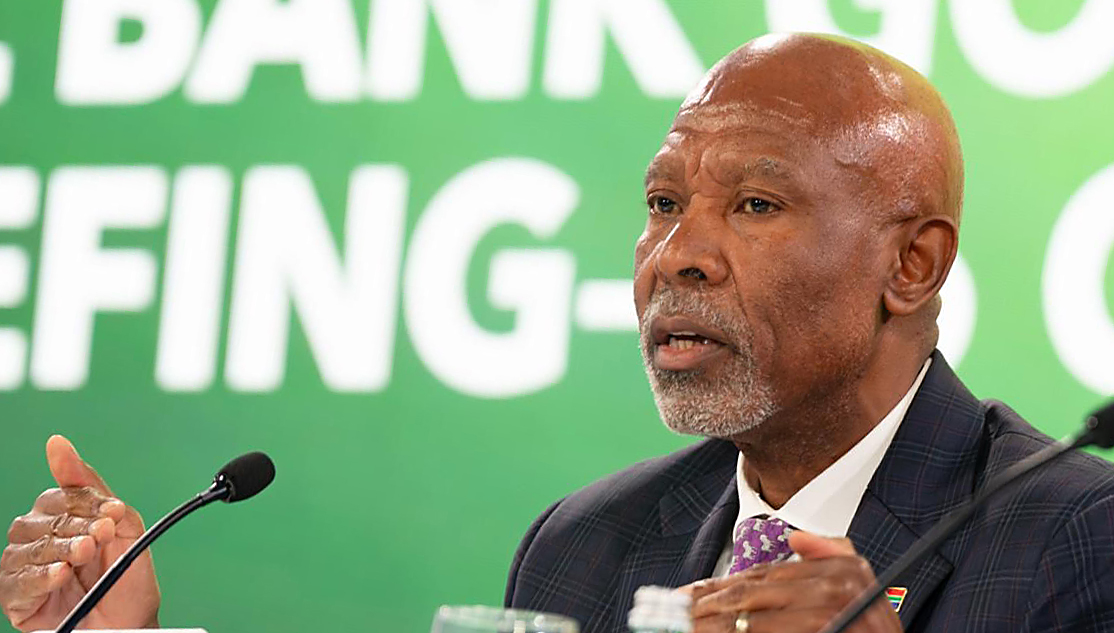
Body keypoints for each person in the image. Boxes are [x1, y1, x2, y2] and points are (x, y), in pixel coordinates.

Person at [2, 32, 1113, 633]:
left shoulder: (1077, 539)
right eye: (664, 203)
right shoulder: (587, 545)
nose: (676, 254)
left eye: (756, 206)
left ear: (909, 265)